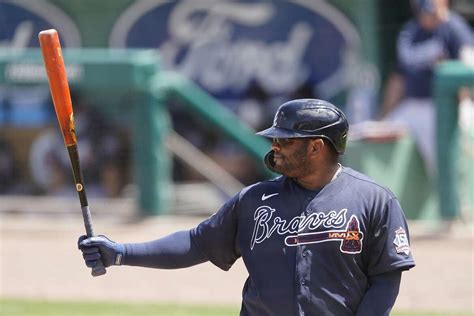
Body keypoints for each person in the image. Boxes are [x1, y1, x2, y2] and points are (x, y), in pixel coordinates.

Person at [79, 99, 415, 316]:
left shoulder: (374, 200)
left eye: (285, 140)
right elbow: (196, 243)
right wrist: (121, 252)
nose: (275, 146)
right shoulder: (254, 200)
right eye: (274, 139)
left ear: (316, 147)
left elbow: (386, 277)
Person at [379, 0, 473, 173]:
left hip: (444, 106)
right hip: (412, 106)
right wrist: (383, 116)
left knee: (449, 165)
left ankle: (459, 200)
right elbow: (398, 79)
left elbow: (468, 67)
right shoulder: (410, 31)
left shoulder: (454, 27)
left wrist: (462, 108)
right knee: (377, 137)